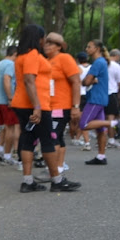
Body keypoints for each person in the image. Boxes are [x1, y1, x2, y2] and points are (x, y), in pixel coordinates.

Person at [11, 25, 79, 193]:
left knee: (28, 139)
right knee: (48, 140)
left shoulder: (21, 55)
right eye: (44, 39)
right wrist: (37, 106)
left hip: (23, 104)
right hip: (36, 105)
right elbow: (29, 80)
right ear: (39, 38)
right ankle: (57, 180)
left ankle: (28, 181)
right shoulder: (32, 54)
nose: (44, 42)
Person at [43, 32, 81, 174]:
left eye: (51, 43)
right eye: (46, 43)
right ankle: (59, 166)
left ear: (59, 47)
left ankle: (54, 169)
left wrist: (75, 106)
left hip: (61, 106)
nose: (47, 46)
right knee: (57, 136)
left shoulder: (65, 58)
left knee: (53, 135)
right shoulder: (46, 61)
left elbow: (76, 82)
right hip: (48, 106)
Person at [81, 39, 119, 165]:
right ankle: (101, 156)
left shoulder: (98, 62)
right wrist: (90, 81)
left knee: (84, 124)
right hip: (101, 98)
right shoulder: (102, 61)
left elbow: (86, 82)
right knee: (100, 130)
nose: (87, 49)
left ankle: (111, 123)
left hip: (95, 99)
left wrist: (88, 81)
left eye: (89, 47)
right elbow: (89, 81)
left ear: (97, 49)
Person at [0, 46, 20, 166]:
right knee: (11, 128)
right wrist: (10, 98)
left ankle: (0, 149)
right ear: (15, 54)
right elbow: (6, 79)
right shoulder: (11, 64)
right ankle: (7, 155)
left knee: (5, 127)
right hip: (6, 101)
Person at [106, 49, 120, 148]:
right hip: (112, 93)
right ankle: (111, 139)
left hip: (101, 93)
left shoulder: (102, 63)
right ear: (117, 56)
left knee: (102, 117)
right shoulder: (116, 66)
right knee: (111, 117)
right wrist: (119, 90)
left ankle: (101, 139)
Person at [73, 52, 92, 150]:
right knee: (85, 118)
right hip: (89, 93)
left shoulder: (77, 68)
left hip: (79, 94)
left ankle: (85, 141)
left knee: (82, 119)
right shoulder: (92, 67)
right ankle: (79, 138)